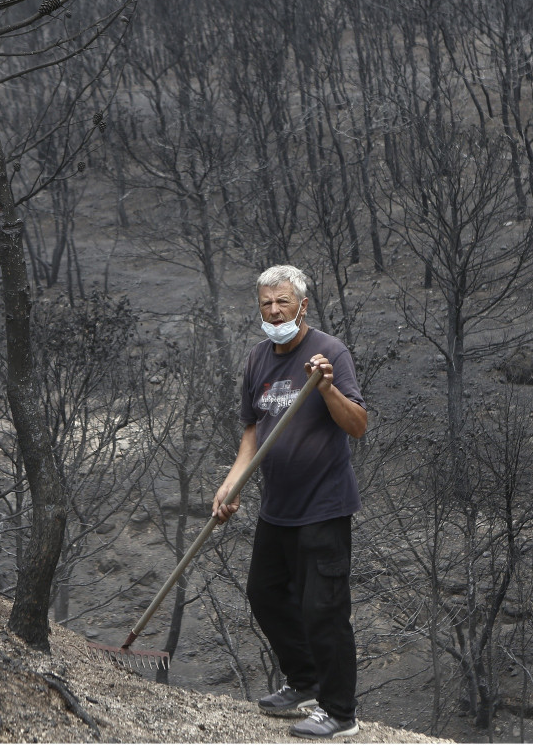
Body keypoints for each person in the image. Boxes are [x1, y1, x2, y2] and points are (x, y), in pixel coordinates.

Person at [213, 264, 367, 740]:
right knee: (263, 593)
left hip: (323, 506)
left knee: (324, 608)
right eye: (266, 303)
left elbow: (358, 424)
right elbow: (252, 432)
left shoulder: (329, 352)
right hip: (275, 507)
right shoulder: (258, 359)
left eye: (283, 302)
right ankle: (304, 681)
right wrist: (231, 484)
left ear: (303, 305)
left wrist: (326, 387)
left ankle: (341, 713)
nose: (274, 310)